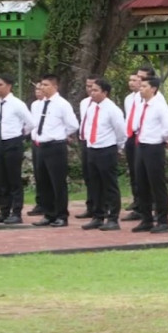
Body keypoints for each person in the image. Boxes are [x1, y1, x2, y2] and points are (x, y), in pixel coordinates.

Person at [30, 74, 79, 227]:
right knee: (43, 181)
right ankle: (48, 213)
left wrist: (60, 136)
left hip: (55, 146)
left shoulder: (62, 104)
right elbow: (34, 123)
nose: (42, 88)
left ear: (55, 87)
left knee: (57, 182)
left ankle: (61, 215)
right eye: (41, 85)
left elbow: (73, 125)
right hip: (40, 146)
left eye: (46, 85)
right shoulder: (37, 105)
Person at [80, 78, 127, 231]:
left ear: (105, 92)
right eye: (91, 90)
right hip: (92, 148)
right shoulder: (92, 107)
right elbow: (88, 126)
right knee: (94, 184)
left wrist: (118, 147)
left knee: (109, 185)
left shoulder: (112, 109)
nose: (91, 93)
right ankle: (97, 216)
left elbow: (121, 131)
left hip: (107, 149)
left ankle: (113, 218)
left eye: (95, 90)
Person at [131, 76, 168, 233]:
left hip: (154, 147)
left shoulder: (159, 106)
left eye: (144, 86)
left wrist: (160, 139)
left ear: (153, 89)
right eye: (140, 86)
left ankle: (163, 221)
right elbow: (136, 124)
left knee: (157, 185)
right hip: (141, 145)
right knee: (141, 184)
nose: (140, 88)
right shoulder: (141, 105)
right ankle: (146, 219)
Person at [0, 75, 33, 224]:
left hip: (13, 142)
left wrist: (19, 135)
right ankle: (4, 210)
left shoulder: (17, 103)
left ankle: (16, 212)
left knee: (13, 179)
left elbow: (31, 123)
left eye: (0, 84)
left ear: (9, 86)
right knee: (1, 179)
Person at [121, 66, 153, 221]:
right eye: (134, 78)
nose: (136, 81)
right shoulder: (130, 98)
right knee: (134, 173)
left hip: (143, 137)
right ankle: (138, 204)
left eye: (140, 78)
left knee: (144, 174)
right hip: (130, 136)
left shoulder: (150, 98)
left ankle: (146, 206)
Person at [75, 75, 100, 220]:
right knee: (88, 176)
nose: (90, 90)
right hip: (86, 141)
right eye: (87, 86)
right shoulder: (84, 102)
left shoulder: (105, 105)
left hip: (99, 143)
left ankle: (102, 206)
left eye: (93, 87)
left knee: (100, 177)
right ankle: (91, 206)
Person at [27, 82, 46, 217]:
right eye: (36, 89)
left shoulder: (52, 104)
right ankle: (40, 203)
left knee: (48, 177)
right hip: (36, 142)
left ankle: (51, 204)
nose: (38, 91)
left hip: (48, 142)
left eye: (41, 88)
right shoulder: (34, 105)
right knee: (38, 174)